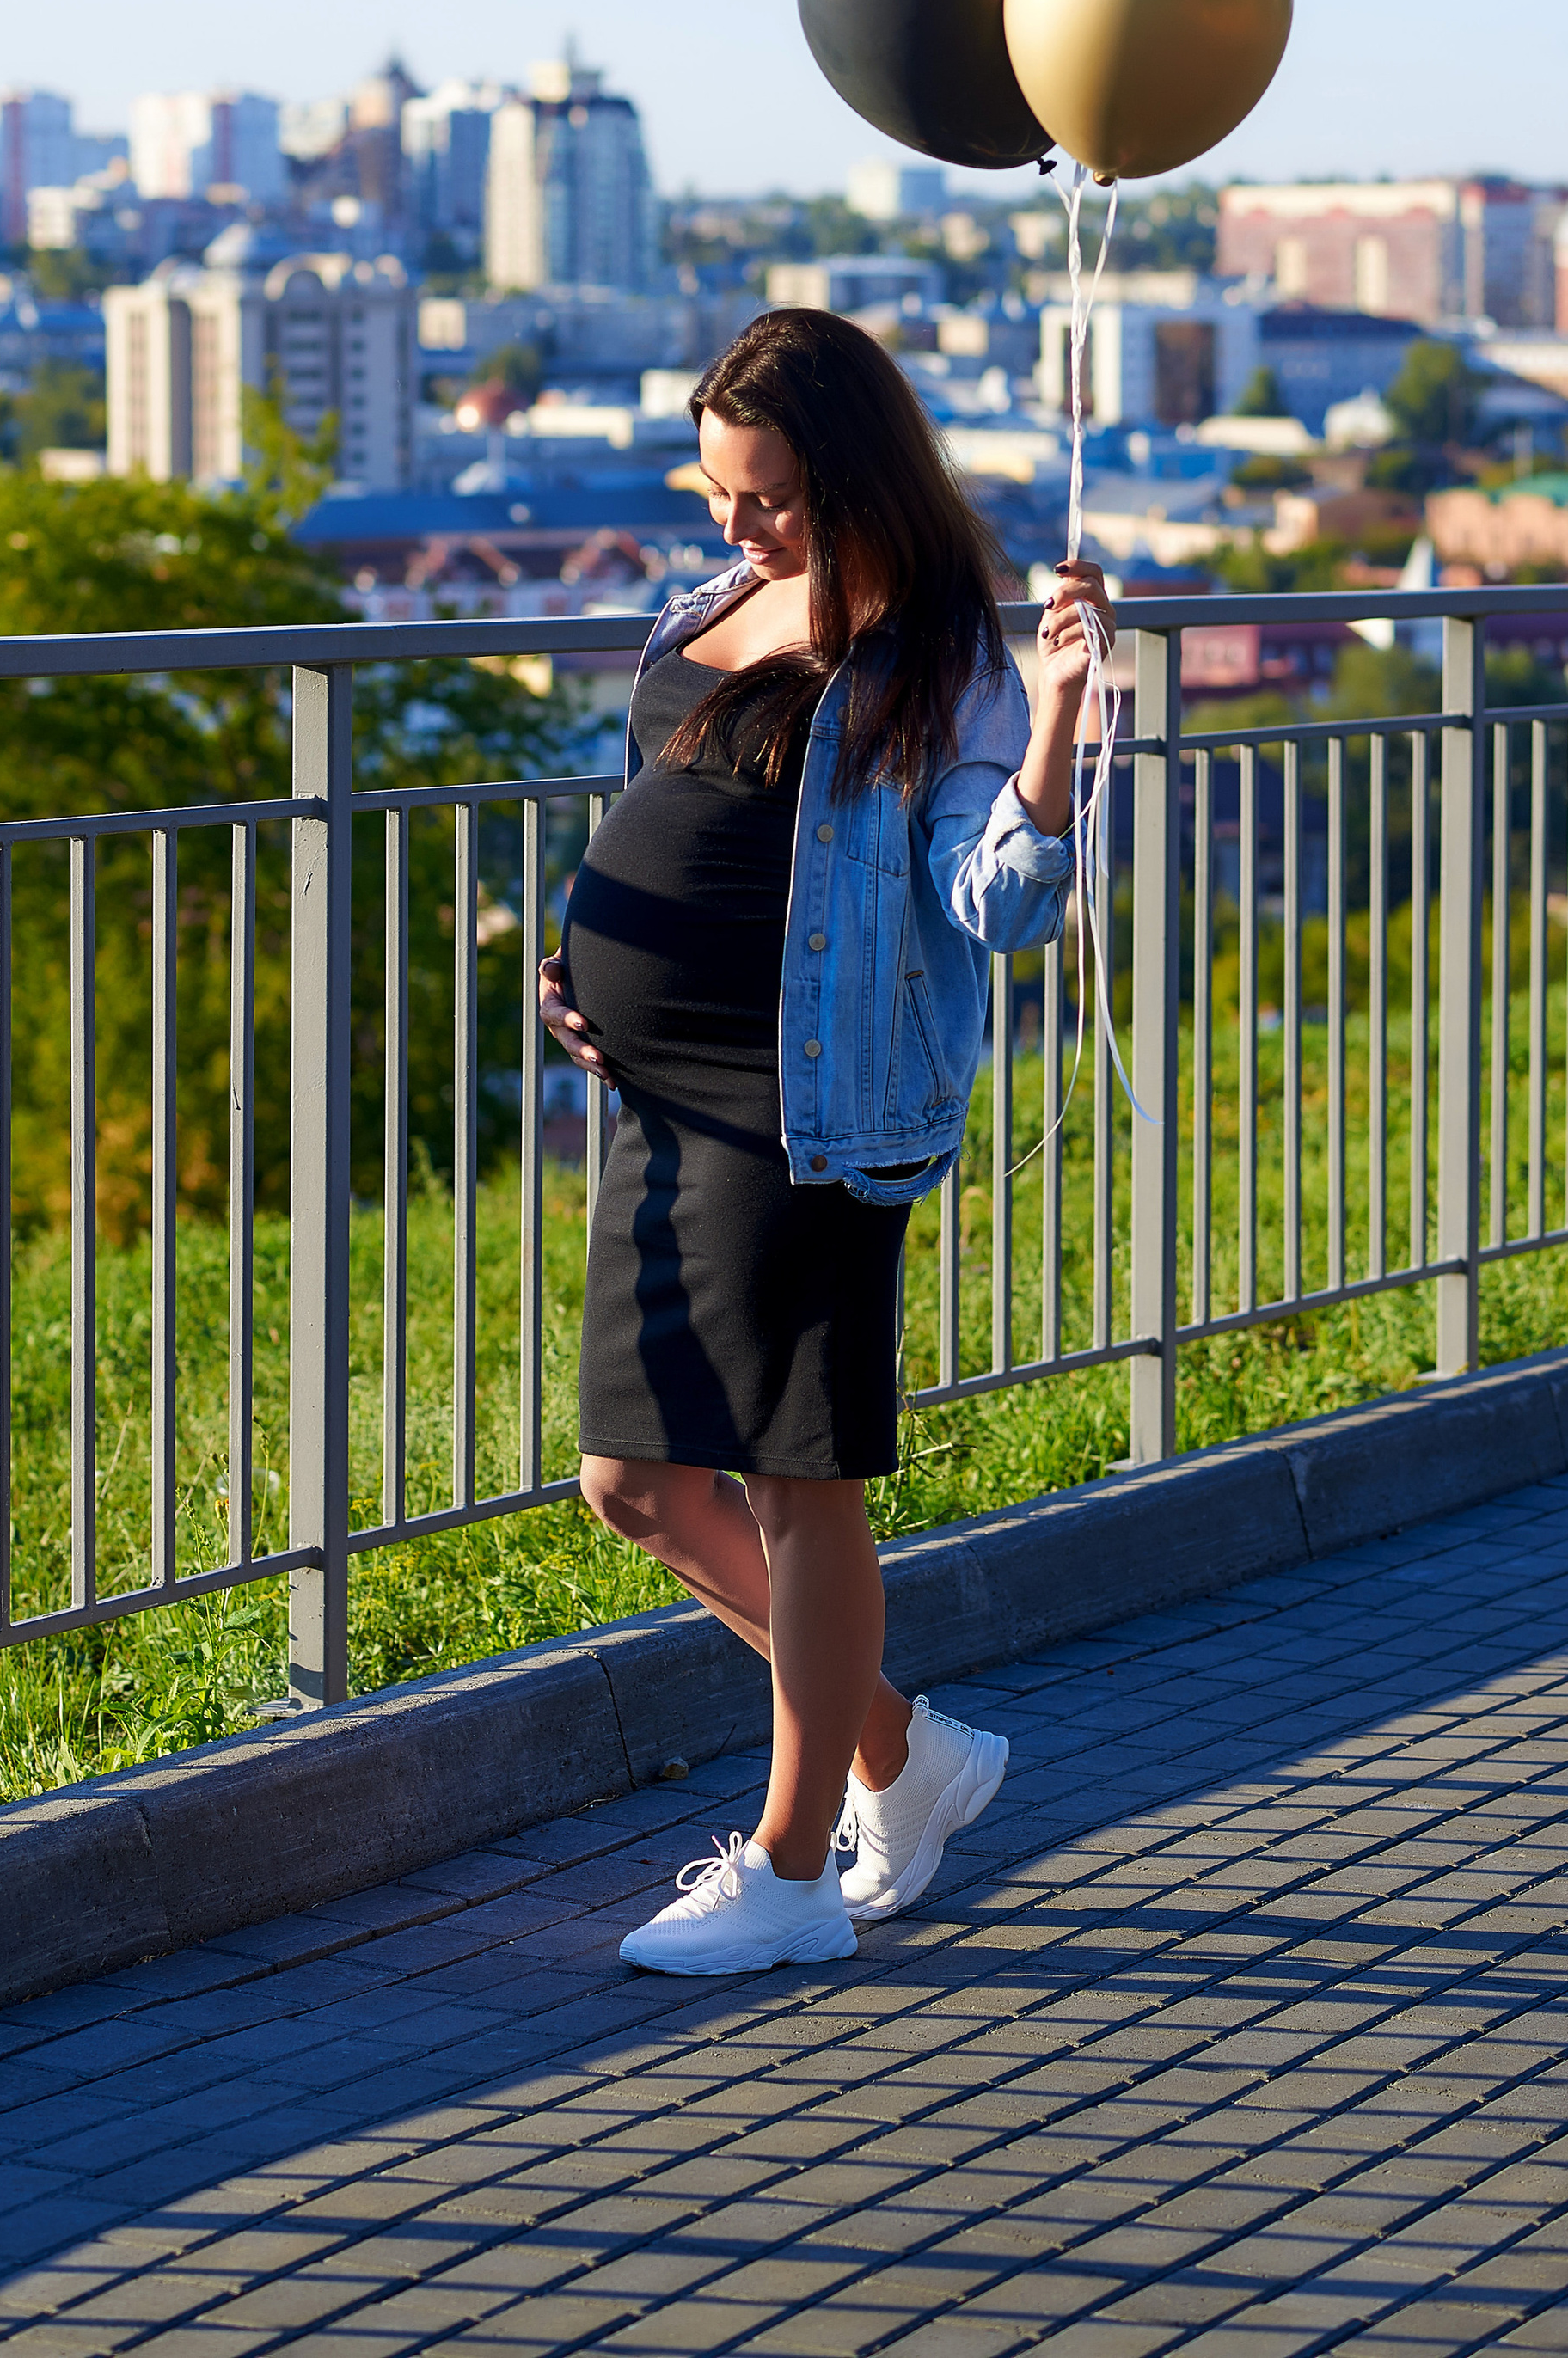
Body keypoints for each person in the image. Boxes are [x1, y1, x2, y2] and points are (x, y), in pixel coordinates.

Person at [539, 309, 1112, 1977]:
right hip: (659, 1102)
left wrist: (1065, 717)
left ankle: (794, 1873)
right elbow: (674, 816)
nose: (733, 528)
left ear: (853, 478)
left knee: (799, 1479)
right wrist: (580, 976)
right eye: (716, 491)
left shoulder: (939, 663)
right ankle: (903, 1756)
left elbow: (998, 896)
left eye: (768, 498)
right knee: (633, 1482)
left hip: (805, 1111)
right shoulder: (707, 605)